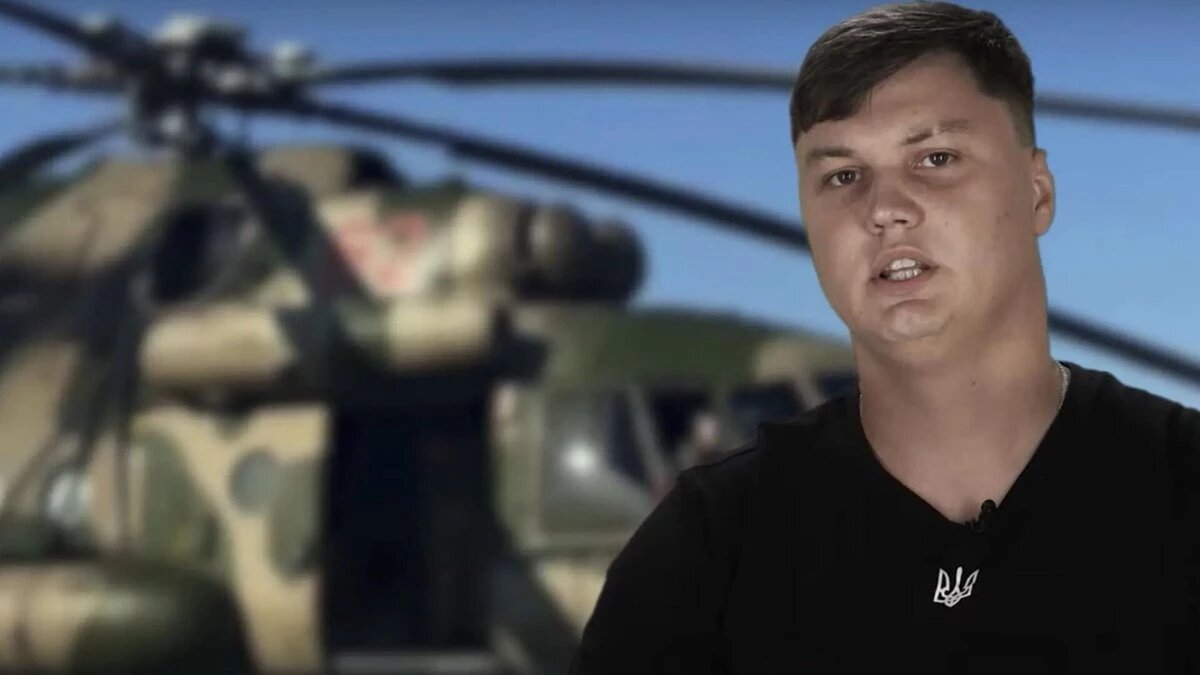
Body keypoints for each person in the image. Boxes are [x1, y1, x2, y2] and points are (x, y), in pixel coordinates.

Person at [569, 2, 1200, 673]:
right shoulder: (705, 550)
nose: (884, 209)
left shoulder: (1181, 487)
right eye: (843, 176)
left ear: (1037, 192)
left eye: (936, 158)